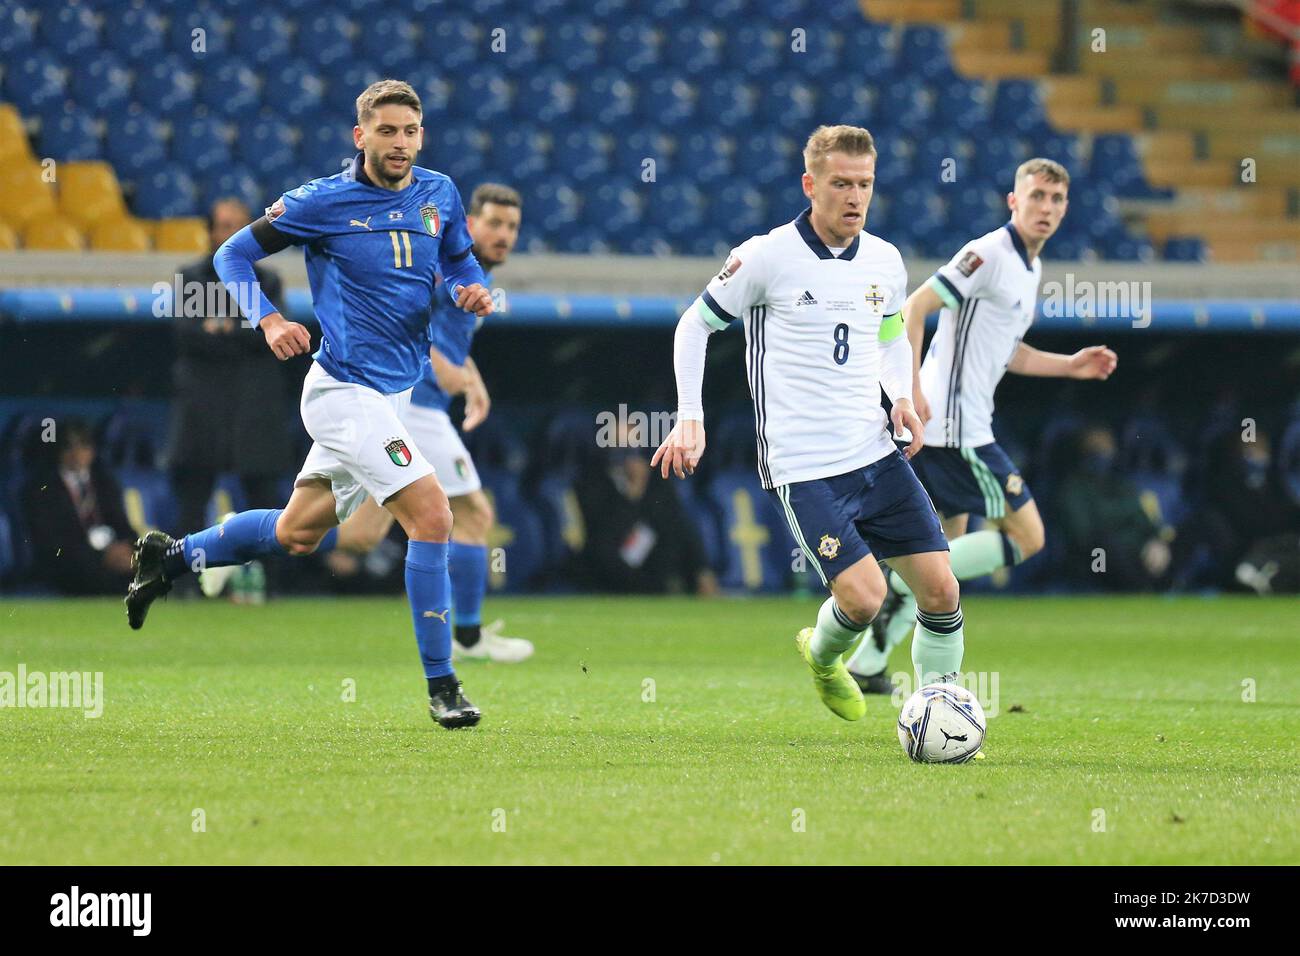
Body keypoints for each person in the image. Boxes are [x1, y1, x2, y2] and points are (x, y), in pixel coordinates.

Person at [124, 79, 494, 729]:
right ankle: (444, 685)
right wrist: (266, 320)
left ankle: (172, 556)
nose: (400, 143)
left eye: (410, 131)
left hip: (394, 398)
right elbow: (231, 254)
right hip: (344, 394)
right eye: (386, 131)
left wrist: (470, 290)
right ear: (361, 136)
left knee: (297, 532)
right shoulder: (323, 202)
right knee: (434, 517)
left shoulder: (439, 194)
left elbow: (462, 263)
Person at [653, 124, 963, 723]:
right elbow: (693, 326)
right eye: (841, 183)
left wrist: (901, 395)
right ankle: (824, 659)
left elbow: (892, 336)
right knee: (866, 598)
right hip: (805, 466)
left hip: (877, 453)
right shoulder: (765, 256)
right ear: (810, 184)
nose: (854, 197)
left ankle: (942, 712)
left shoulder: (884, 260)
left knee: (942, 590)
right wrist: (689, 417)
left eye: (865, 184)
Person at [847, 158, 1117, 691]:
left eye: (1056, 199)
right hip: (956, 430)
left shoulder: (1029, 267)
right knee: (1028, 535)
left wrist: (1068, 365)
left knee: (939, 558)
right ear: (1014, 201)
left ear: (1065, 209)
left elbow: (1006, 350)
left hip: (957, 427)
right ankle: (899, 591)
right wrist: (912, 388)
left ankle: (868, 666)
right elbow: (915, 307)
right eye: (1036, 196)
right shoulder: (989, 253)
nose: (1046, 207)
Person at [328, 184, 534, 662]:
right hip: (415, 407)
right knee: (473, 515)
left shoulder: (473, 273)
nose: (504, 235)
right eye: (494, 224)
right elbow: (412, 319)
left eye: (512, 227)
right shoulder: (447, 265)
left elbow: (448, 339)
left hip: (404, 407)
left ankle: (250, 540)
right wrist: (444, 370)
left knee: (360, 536)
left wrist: (471, 380)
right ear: (471, 223)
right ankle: (467, 638)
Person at [167, 197, 294, 557]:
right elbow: (187, 335)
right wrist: (245, 331)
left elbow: (269, 337)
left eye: (237, 225)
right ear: (209, 231)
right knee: (192, 501)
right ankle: (182, 580)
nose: (229, 232)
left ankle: (269, 583)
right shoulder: (191, 278)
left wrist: (222, 330)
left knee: (265, 500)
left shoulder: (267, 280)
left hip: (254, 410)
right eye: (223, 225)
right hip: (201, 410)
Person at [577, 437, 719, 596]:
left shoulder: (657, 484)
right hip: (609, 582)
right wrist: (632, 498)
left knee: (675, 532)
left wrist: (702, 569)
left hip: (655, 579)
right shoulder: (594, 484)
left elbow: (679, 525)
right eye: (621, 449)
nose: (629, 459)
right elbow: (601, 544)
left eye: (634, 450)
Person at [23, 420, 136, 595]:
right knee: (101, 578)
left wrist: (130, 549)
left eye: (84, 445)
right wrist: (101, 557)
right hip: (68, 563)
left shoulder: (105, 482)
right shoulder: (42, 489)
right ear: (58, 451)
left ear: (93, 450)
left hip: (112, 556)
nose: (77, 453)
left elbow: (122, 525)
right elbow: (50, 543)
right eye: (69, 446)